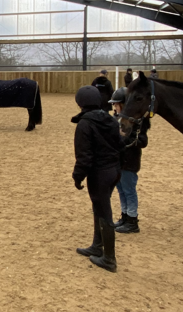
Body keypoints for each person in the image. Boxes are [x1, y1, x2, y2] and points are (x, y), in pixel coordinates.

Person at [71, 86, 122, 272]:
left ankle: (109, 258)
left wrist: (77, 176)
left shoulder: (85, 124)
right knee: (99, 207)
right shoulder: (110, 120)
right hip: (114, 170)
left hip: (99, 173)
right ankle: (97, 245)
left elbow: (84, 156)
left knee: (104, 211)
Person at [109, 87, 148, 234]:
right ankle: (124, 216)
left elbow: (142, 141)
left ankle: (132, 219)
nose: (114, 107)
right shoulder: (114, 119)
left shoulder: (136, 122)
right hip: (117, 162)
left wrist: (123, 137)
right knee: (121, 190)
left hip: (129, 162)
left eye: (116, 104)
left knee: (129, 191)